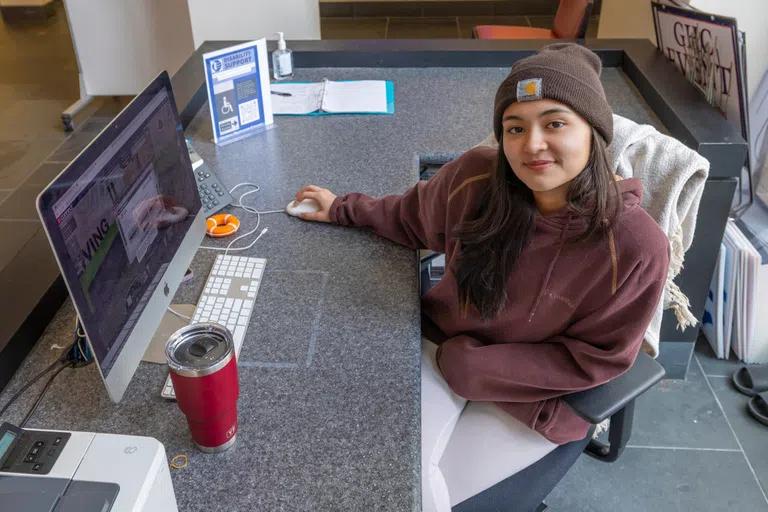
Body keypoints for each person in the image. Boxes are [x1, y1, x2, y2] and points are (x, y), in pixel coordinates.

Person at [294, 43, 669, 511]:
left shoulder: (635, 247)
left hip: (535, 396)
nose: (532, 144)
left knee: (422, 497)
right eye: (515, 128)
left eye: (555, 123)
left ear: (594, 133)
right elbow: (411, 217)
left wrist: (476, 369)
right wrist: (342, 208)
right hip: (447, 352)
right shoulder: (474, 178)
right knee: (392, 480)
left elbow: (597, 361)